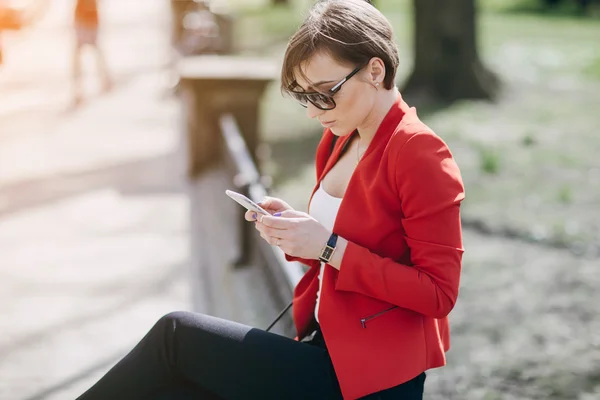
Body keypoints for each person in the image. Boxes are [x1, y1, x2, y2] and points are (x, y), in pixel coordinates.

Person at [75, 0, 465, 399]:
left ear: (375, 70)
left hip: (370, 377)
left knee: (174, 336)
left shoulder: (420, 153)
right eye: (304, 96)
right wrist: (298, 234)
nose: (314, 112)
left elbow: (438, 293)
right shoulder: (340, 137)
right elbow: (358, 240)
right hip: (322, 346)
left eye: (325, 93)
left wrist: (329, 247)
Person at [72, 0, 112, 107]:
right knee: (80, 54)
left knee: (94, 51)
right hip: (82, 17)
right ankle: (78, 88)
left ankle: (105, 80)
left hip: (90, 18)